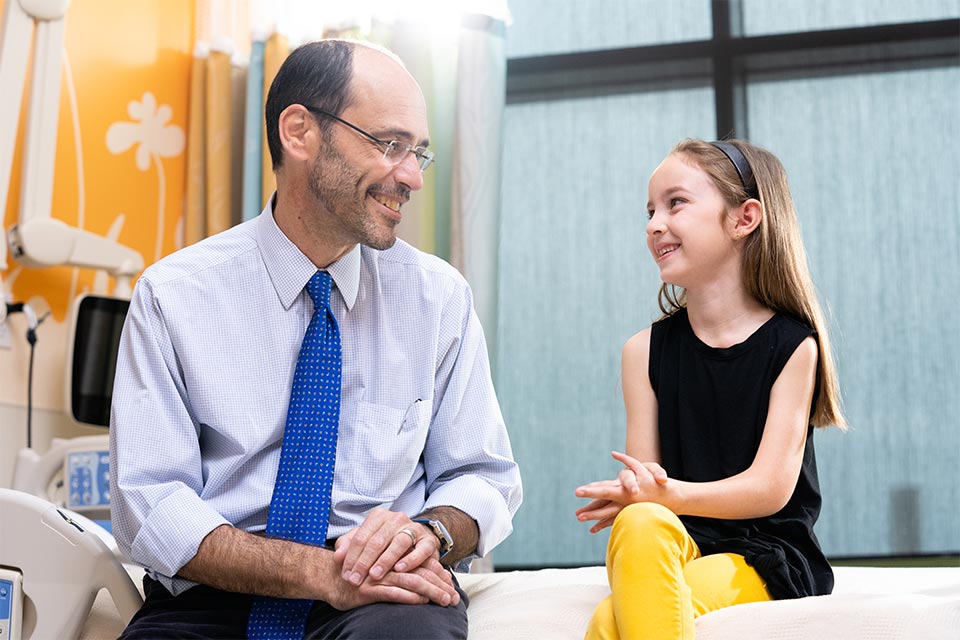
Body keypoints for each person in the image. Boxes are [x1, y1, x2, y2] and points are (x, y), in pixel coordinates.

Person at [110, 39, 521, 640]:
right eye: (390, 145)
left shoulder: (439, 298)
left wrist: (427, 532)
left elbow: (483, 477)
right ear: (299, 132)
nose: (410, 176)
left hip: (384, 594)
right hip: (215, 595)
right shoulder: (172, 295)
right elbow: (152, 506)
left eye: (419, 154)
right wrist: (319, 573)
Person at [574, 138, 846, 639]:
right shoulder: (642, 352)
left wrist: (666, 493)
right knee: (638, 526)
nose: (655, 224)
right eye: (651, 210)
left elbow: (769, 489)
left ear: (744, 219)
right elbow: (650, 501)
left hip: (763, 553)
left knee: (611, 621)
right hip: (677, 541)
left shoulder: (793, 345)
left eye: (675, 203)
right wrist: (641, 495)